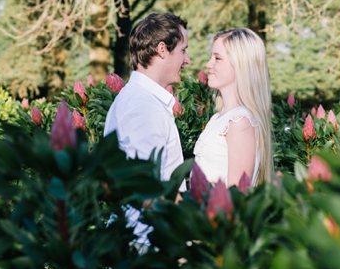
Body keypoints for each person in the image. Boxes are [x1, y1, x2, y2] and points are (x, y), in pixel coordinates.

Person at [104, 13, 190, 242]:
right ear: (162, 49)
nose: (187, 60)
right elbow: (145, 190)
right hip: (145, 243)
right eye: (183, 50)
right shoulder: (142, 106)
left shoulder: (140, 100)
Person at [194, 28, 273, 187]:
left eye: (217, 58)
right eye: (211, 57)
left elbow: (237, 194)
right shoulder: (219, 118)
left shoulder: (240, 121)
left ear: (240, 64)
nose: (209, 64)